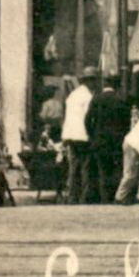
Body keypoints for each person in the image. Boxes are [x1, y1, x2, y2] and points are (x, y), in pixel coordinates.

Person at [84, 76, 127, 203]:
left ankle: (104, 199)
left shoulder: (96, 99)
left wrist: (92, 135)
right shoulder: (120, 100)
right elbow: (125, 123)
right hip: (116, 141)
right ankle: (114, 196)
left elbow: (87, 120)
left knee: (102, 170)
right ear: (117, 86)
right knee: (116, 169)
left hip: (99, 141)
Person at [61, 67, 96, 203]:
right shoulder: (88, 97)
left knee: (73, 166)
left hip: (70, 134)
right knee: (85, 166)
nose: (94, 83)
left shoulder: (73, 95)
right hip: (83, 135)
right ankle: (84, 197)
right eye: (93, 80)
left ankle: (71, 196)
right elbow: (89, 118)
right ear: (89, 81)